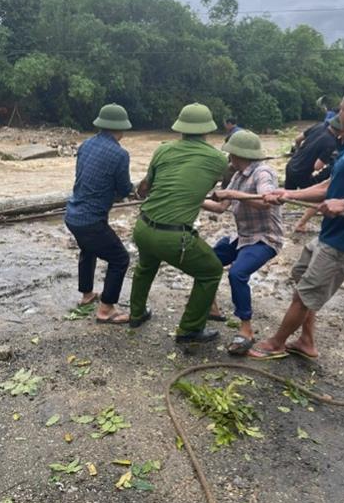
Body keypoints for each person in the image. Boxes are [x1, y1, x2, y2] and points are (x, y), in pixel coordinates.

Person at [248, 79, 344, 360]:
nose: (338, 112)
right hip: (330, 234)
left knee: (305, 294)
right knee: (300, 278)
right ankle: (306, 341)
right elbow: (328, 186)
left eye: (341, 107)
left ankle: (276, 343)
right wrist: (288, 193)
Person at [127, 103, 229, 343]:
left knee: (145, 267)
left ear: (180, 128)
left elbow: (144, 189)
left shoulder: (162, 150)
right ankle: (190, 329)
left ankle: (136, 314)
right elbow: (225, 184)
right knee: (211, 270)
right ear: (208, 130)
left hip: (142, 227)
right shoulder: (218, 158)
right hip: (173, 237)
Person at [200, 130, 283, 355]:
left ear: (239, 154)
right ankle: (211, 306)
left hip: (265, 239)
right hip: (242, 237)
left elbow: (265, 201)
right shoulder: (238, 176)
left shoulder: (263, 173)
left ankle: (246, 329)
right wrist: (195, 200)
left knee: (237, 274)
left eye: (231, 155)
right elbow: (219, 207)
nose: (229, 159)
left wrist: (231, 193)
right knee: (206, 261)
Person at [63, 103, 134, 324]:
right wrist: (132, 190)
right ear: (119, 129)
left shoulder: (85, 145)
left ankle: (87, 295)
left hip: (73, 214)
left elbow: (85, 178)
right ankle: (106, 309)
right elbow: (123, 189)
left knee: (88, 249)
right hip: (91, 220)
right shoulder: (120, 154)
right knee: (120, 258)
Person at [287, 116, 344, 232]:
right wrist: (328, 161)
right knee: (318, 198)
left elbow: (298, 139)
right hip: (302, 173)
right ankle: (301, 224)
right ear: (341, 130)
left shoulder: (318, 126)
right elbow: (317, 166)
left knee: (284, 196)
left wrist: (300, 152)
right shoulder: (331, 142)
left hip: (290, 165)